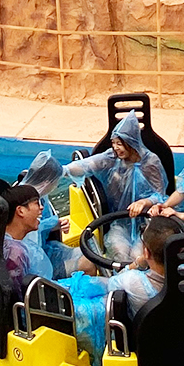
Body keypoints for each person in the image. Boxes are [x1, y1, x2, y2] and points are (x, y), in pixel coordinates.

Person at [57, 217, 179, 366]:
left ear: (146, 252)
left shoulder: (133, 281)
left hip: (147, 344)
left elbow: (114, 281)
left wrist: (137, 263)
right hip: (179, 337)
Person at [64, 110, 167, 260]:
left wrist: (145, 202)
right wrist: (63, 170)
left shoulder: (150, 162)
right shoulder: (112, 158)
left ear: (131, 142)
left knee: (139, 256)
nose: (116, 147)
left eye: (119, 143)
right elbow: (87, 165)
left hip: (147, 222)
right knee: (119, 251)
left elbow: (161, 195)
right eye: (113, 143)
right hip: (120, 222)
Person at [17, 151, 77, 276]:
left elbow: (40, 226)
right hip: (38, 267)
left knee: (86, 255)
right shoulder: (26, 208)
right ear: (47, 183)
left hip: (45, 249)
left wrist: (55, 225)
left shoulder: (38, 195)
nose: (56, 186)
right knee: (87, 264)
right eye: (55, 182)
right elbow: (32, 257)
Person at [0, 185, 47, 298]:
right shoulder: (15, 254)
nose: (41, 208)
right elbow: (21, 299)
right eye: (36, 203)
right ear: (20, 211)